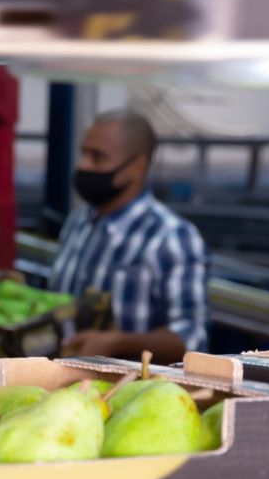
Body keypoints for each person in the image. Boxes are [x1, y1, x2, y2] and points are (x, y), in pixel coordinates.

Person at [51, 110, 211, 364]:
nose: (84, 166)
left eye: (98, 157)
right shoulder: (79, 223)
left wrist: (117, 343)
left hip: (131, 392)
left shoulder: (172, 238)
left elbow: (191, 339)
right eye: (84, 153)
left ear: (137, 166)